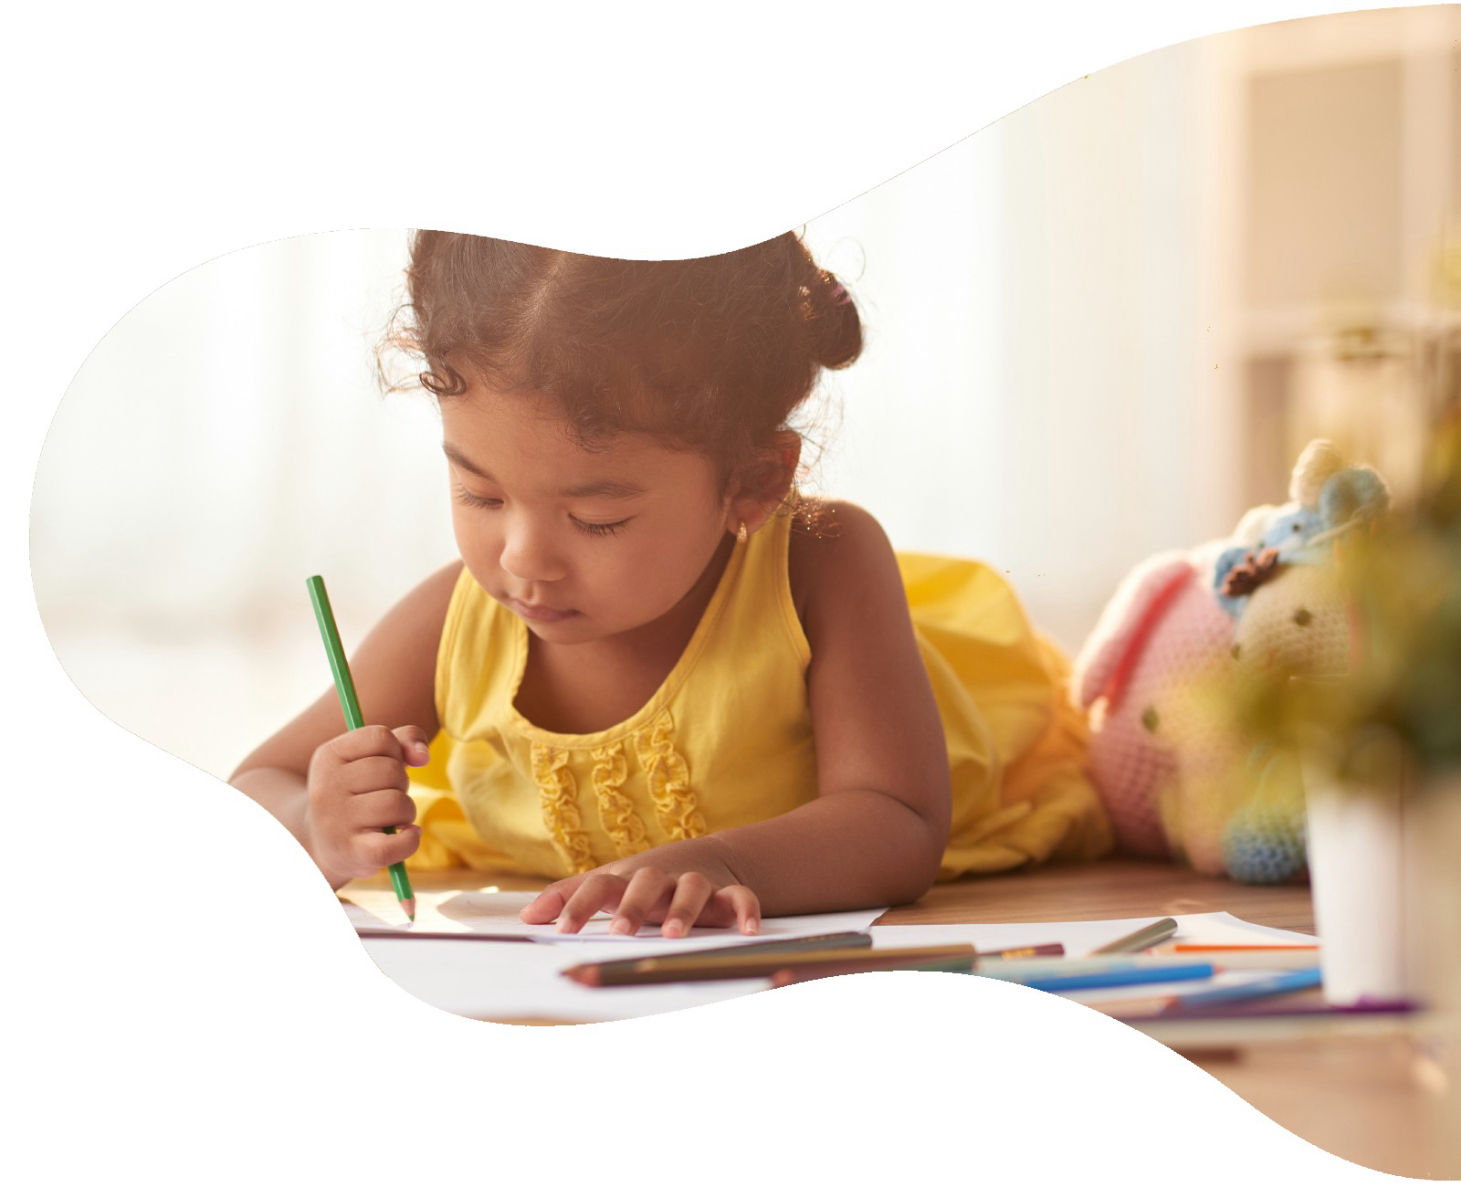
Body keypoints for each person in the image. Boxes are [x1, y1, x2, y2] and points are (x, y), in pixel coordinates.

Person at [231, 231, 1110, 938]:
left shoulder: (820, 562)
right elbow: (253, 783)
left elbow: (897, 818)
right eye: (480, 493)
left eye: (597, 518)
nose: (523, 559)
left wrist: (730, 863)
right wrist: (312, 818)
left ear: (753, 481)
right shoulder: (454, 621)